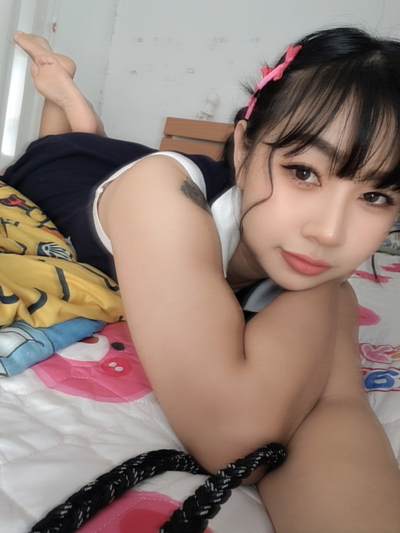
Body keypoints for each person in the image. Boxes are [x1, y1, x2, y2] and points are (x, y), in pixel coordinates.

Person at [6, 28, 400, 532]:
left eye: (376, 196)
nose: (329, 233)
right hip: (66, 172)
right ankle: (63, 92)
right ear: (243, 148)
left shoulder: (317, 274)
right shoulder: (160, 193)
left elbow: (337, 410)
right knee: (64, 142)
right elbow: (234, 438)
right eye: (303, 171)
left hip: (128, 178)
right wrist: (330, 290)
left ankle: (76, 106)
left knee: (97, 142)